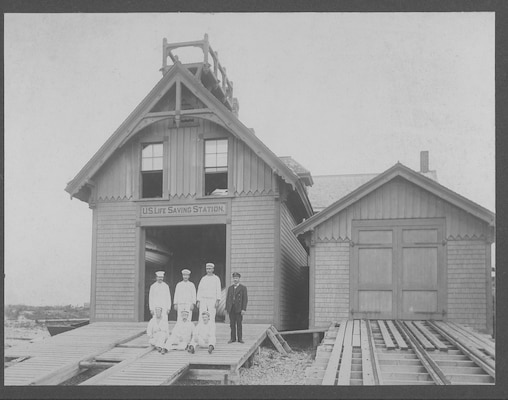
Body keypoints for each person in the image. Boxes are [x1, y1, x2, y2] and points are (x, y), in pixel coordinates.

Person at [226, 272, 248, 344]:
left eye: (237, 278)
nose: (235, 279)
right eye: (234, 278)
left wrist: (243, 309)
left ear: (239, 279)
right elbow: (228, 299)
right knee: (232, 324)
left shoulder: (243, 288)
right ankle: (232, 338)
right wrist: (227, 308)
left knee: (239, 324)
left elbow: (245, 299)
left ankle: (240, 339)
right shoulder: (230, 288)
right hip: (231, 308)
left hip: (239, 309)